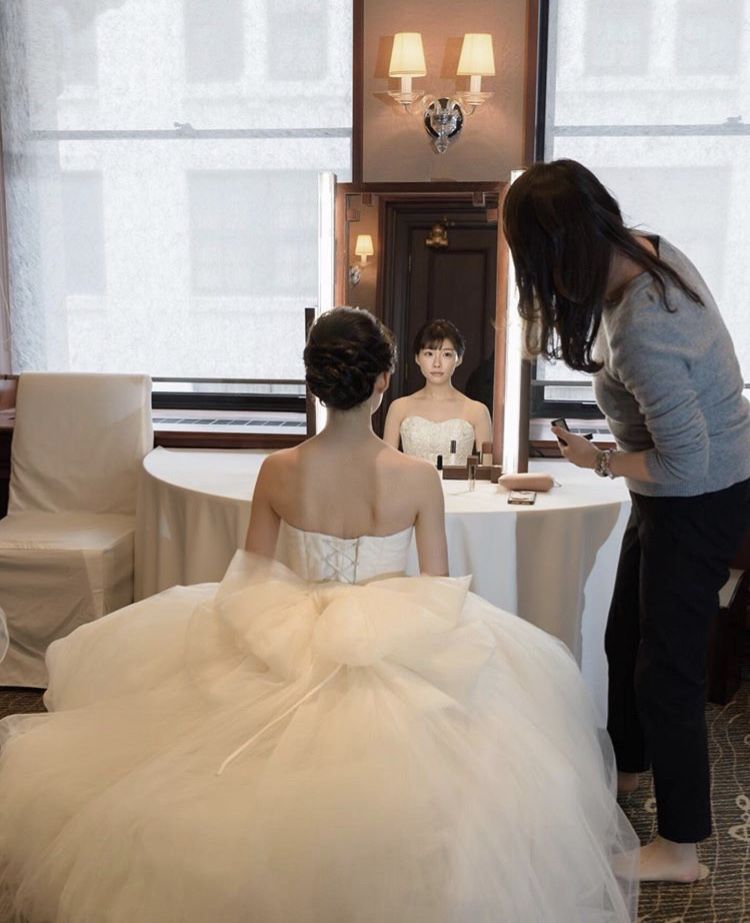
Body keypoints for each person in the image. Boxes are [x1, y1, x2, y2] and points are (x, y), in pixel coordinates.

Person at [0, 307, 637, 923]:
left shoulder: (277, 470)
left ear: (316, 384)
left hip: (289, 622)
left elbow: (251, 576)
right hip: (392, 628)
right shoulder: (416, 477)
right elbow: (436, 588)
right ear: (384, 380)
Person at [503, 158, 750, 884]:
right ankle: (630, 771)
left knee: (667, 668)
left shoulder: (644, 322)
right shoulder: (646, 250)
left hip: (699, 495)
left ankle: (681, 847)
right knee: (624, 636)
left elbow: (685, 460)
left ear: (559, 250)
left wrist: (600, 460)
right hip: (673, 492)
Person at [383, 319, 492, 464]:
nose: (437, 363)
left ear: (459, 359)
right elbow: (387, 466)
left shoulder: (477, 411)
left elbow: (486, 469)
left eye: (446, 354)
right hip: (410, 480)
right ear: (417, 358)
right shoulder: (399, 408)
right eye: (429, 354)